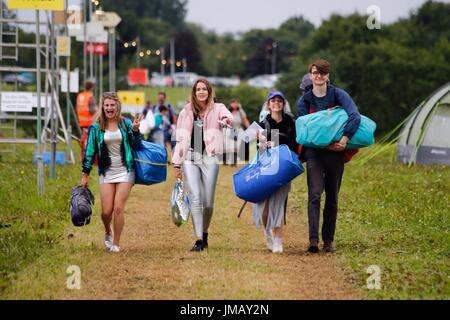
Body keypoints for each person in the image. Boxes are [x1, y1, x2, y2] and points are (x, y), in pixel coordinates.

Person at [296, 59, 361, 254]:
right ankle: (313, 240)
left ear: (327, 76)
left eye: (322, 73)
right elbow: (304, 130)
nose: (318, 76)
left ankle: (328, 241)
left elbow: (354, 116)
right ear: (310, 75)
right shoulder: (304, 101)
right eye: (315, 73)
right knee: (314, 195)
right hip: (315, 153)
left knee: (332, 197)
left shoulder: (338, 95)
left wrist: (344, 139)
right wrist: (327, 136)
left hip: (337, 154)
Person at [172, 78, 233, 252]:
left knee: (208, 202)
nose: (201, 92)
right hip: (190, 157)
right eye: (198, 89)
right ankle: (198, 239)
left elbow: (228, 116)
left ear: (209, 91)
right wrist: (177, 163)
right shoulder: (185, 111)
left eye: (204, 89)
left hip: (209, 158)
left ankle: (205, 232)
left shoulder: (218, 108)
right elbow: (180, 137)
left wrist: (226, 121)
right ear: (194, 92)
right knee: (196, 197)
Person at [81, 92, 142, 253]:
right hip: (107, 172)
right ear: (103, 107)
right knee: (105, 212)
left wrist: (135, 131)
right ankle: (108, 231)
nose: (109, 108)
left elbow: (136, 145)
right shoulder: (96, 127)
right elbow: (89, 151)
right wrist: (85, 174)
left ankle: (116, 243)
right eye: (106, 105)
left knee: (118, 208)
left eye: (112, 105)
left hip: (126, 170)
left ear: (117, 107)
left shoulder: (126, 123)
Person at [253, 90, 298, 254]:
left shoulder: (291, 122)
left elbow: (295, 145)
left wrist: (277, 143)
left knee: (279, 204)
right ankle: (267, 233)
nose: (276, 103)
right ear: (268, 104)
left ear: (284, 103)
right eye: (273, 101)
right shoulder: (263, 123)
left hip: (284, 167)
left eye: (280, 100)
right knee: (265, 206)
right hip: (266, 167)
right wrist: (261, 141)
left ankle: (278, 240)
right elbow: (253, 144)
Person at [224, 98, 250, 166]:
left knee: (237, 146)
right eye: (233, 103)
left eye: (236, 103)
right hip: (230, 129)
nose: (235, 104)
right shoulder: (227, 111)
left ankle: (233, 162)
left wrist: (249, 128)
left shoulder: (240, 111)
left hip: (238, 129)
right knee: (231, 146)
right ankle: (229, 161)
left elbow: (245, 120)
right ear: (231, 104)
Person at [76, 81, 97, 160]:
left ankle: (84, 156)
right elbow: (92, 111)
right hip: (90, 122)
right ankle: (91, 158)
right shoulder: (90, 97)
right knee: (91, 140)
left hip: (82, 122)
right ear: (92, 88)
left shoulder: (80, 96)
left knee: (84, 140)